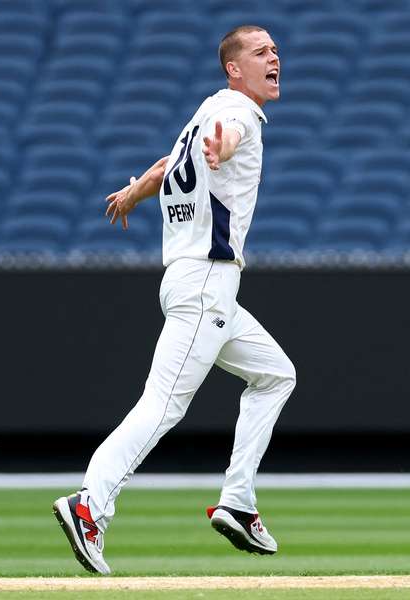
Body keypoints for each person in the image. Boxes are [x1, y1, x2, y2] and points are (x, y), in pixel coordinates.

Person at [53, 26, 296, 575]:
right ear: (234, 68)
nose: (273, 57)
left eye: (275, 50)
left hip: (201, 285)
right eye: (261, 52)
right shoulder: (237, 116)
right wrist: (225, 145)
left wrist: (134, 191)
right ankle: (89, 504)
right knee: (162, 405)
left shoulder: (205, 111)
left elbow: (170, 165)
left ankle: (238, 502)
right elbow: (227, 136)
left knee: (277, 375)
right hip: (207, 283)